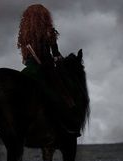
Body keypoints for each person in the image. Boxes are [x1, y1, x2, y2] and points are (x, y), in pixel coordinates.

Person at [17, 4, 78, 133]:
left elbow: (25, 58)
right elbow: (56, 55)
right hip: (46, 68)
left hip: (29, 69)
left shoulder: (24, 33)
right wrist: (60, 61)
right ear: (45, 17)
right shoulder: (48, 31)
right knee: (64, 95)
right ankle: (70, 126)